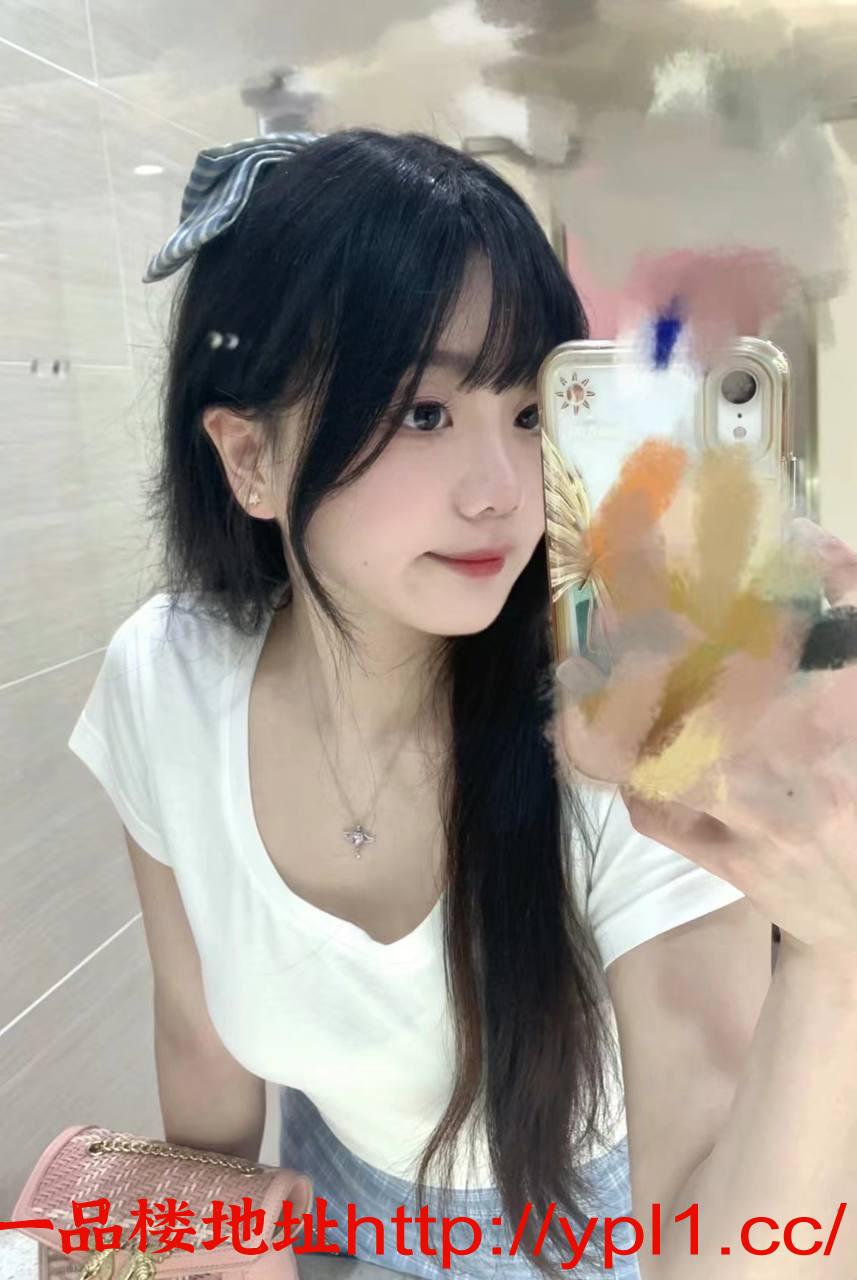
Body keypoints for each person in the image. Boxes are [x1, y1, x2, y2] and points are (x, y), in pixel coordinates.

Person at [67, 128, 857, 1280]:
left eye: (530, 412)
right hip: (341, 1210)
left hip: (597, 1227)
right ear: (250, 458)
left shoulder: (624, 722)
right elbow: (197, 1039)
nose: (501, 491)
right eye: (423, 412)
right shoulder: (164, 682)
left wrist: (834, 952)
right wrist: (209, 1236)